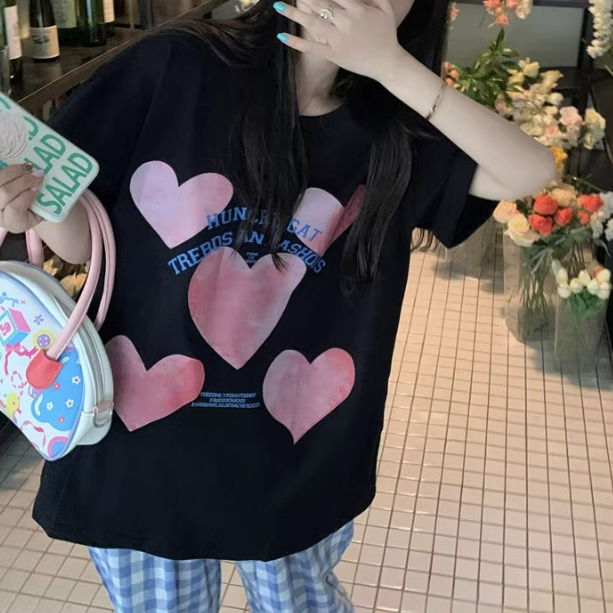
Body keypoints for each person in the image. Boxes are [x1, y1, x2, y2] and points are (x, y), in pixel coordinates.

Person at [0, 0, 556, 610]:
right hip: (145, 449)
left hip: (296, 459)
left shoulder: (395, 127)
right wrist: (27, 207)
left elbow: (529, 171)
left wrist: (392, 66)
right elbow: (84, 239)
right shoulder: (176, 64)